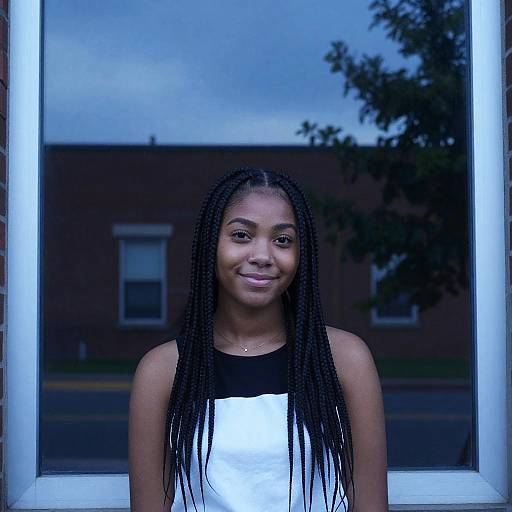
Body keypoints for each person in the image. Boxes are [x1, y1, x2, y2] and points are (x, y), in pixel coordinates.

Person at [128, 167, 388, 511]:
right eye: (241, 235)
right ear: (211, 244)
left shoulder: (345, 360)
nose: (263, 256)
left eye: (282, 240)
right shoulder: (163, 372)